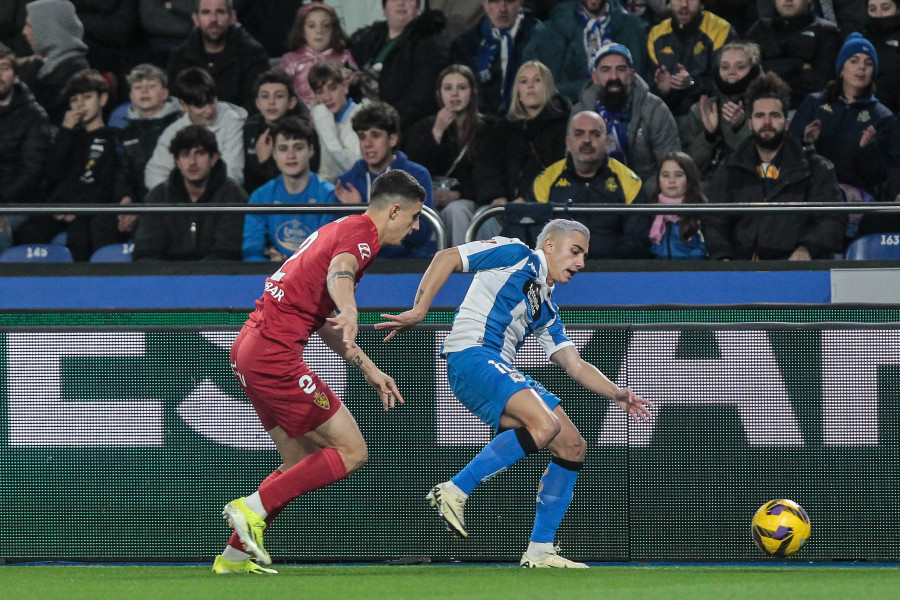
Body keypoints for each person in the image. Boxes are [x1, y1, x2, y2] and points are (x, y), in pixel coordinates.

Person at [374, 218, 652, 568]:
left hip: (496, 367)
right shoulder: (515, 253)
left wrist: (616, 394)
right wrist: (419, 310)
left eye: (585, 255)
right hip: (471, 355)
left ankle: (539, 551)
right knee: (546, 424)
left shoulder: (546, 306)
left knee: (572, 445)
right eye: (575, 251)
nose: (581, 262)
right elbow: (446, 256)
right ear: (549, 245)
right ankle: (453, 490)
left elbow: (575, 363)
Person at [215, 170, 425, 574]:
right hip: (274, 354)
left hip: (248, 349)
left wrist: (368, 368)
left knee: (298, 460)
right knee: (353, 451)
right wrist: (350, 307)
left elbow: (324, 321)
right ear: (394, 209)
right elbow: (340, 273)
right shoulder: (363, 236)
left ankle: (235, 558)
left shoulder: (341, 226)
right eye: (414, 216)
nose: (416, 226)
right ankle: (249, 508)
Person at [704, 72, 846, 260]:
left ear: (786, 123)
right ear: (749, 123)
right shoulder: (730, 168)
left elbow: (833, 220)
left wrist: (807, 248)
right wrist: (723, 256)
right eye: (760, 116)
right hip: (741, 272)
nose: (767, 123)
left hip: (796, 273)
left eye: (775, 115)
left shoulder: (816, 168)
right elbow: (714, 222)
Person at [17, 69, 125, 261]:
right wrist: (65, 131)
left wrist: (78, 208)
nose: (80, 104)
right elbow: (53, 174)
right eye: (74, 99)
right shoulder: (67, 137)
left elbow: (106, 182)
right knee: (27, 232)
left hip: (91, 209)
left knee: (81, 236)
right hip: (60, 208)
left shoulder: (113, 137)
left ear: (103, 100)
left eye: (87, 97)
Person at [788, 33, 895, 216]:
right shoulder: (814, 103)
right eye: (854, 60)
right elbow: (789, 154)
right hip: (809, 188)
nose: (861, 67)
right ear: (841, 68)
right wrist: (806, 143)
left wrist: (867, 149)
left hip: (854, 196)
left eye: (868, 63)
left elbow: (880, 175)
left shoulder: (882, 117)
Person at [529, 110, 651, 258]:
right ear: (568, 143)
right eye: (579, 133)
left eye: (594, 134)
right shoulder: (545, 181)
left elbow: (637, 240)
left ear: (606, 142)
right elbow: (535, 235)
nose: (587, 140)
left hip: (613, 271)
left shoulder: (629, 182)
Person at [406, 64, 498, 246]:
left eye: (462, 88)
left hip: (467, 199)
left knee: (456, 210)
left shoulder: (488, 128)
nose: (454, 94)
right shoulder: (423, 127)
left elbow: (487, 174)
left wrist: (459, 194)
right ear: (439, 94)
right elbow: (417, 168)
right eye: (448, 88)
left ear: (472, 92)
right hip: (432, 199)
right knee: (426, 214)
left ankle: (461, 271)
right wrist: (437, 133)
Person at [572, 43, 679, 196]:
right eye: (606, 70)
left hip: (645, 198)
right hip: (592, 197)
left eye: (621, 69)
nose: (614, 77)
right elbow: (571, 162)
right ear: (594, 77)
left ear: (632, 75)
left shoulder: (655, 109)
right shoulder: (580, 112)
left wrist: (637, 196)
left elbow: (671, 165)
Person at [335, 101, 436, 259]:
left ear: (392, 139)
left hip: (409, 265)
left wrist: (360, 210)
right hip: (361, 267)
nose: (368, 144)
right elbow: (339, 240)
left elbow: (421, 233)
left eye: (375, 135)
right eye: (362, 137)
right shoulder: (347, 181)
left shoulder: (418, 176)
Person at [133, 125, 247, 261]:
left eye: (200, 153)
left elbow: (227, 253)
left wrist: (194, 279)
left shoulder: (234, 196)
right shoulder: (158, 197)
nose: (192, 162)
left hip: (214, 279)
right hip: (167, 278)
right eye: (185, 154)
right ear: (177, 161)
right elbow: (146, 252)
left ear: (214, 158)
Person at [478, 61, 570, 223]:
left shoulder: (564, 125)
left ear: (547, 87)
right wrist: (496, 196)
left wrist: (527, 198)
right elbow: (489, 167)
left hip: (543, 205)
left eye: (537, 80)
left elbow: (558, 171)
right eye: (524, 81)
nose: (530, 86)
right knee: (483, 217)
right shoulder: (502, 128)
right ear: (518, 91)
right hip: (504, 204)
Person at [242, 117, 338, 262]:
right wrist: (268, 266)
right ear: (274, 153)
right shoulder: (260, 196)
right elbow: (251, 253)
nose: (291, 155)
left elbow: (328, 254)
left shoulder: (329, 195)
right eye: (283, 148)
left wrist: (290, 266)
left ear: (311, 150)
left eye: (298, 147)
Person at [350, 0, 452, 132]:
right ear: (384, 8)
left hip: (403, 130)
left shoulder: (431, 42)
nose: (401, 3)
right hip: (363, 123)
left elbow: (422, 98)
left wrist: (384, 123)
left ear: (418, 6)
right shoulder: (368, 39)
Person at [522, 0, 648, 102]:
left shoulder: (633, 29)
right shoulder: (550, 31)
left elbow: (639, 85)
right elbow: (539, 85)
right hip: (569, 113)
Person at [145, 66, 247, 190]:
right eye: (200, 105)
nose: (209, 110)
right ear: (184, 105)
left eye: (211, 101)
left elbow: (233, 173)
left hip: (220, 200)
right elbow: (155, 174)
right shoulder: (174, 131)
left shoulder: (232, 120)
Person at [114, 64, 184, 237]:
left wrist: (143, 210)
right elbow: (123, 174)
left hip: (172, 203)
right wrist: (126, 200)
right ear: (131, 95)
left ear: (165, 94)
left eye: (151, 86)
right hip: (138, 204)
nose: (144, 91)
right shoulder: (125, 134)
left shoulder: (181, 126)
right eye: (138, 87)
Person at [166, 0, 270, 111]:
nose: (213, 19)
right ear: (196, 19)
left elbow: (256, 106)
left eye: (220, 12)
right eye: (206, 12)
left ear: (232, 17)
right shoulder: (180, 56)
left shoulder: (253, 54)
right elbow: (175, 104)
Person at [681, 42, 762, 183]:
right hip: (710, 190)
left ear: (753, 70)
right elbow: (688, 169)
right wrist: (708, 136)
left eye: (740, 67)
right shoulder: (701, 110)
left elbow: (765, 162)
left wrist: (740, 127)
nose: (731, 72)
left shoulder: (765, 108)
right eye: (725, 67)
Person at [450, 0, 545, 116]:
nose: (502, 9)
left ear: (520, 3)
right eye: (494, 1)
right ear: (484, 4)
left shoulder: (540, 38)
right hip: (481, 124)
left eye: (509, 1)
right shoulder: (465, 45)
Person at [0, 42, 52, 251]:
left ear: (16, 76)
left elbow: (31, 174)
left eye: (4, 68)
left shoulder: (33, 117)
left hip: (18, 203)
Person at [646, 0, 737, 118]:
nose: (684, 4)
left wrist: (692, 83)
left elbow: (730, 82)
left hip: (710, 116)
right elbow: (649, 87)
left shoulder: (721, 30)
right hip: (666, 117)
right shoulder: (656, 34)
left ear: (702, 3)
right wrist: (663, 91)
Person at [745, 0, 841, 110]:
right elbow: (751, 77)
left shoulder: (827, 32)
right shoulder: (759, 29)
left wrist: (772, 68)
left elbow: (821, 84)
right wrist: (797, 65)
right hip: (764, 112)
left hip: (811, 111)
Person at [18, 0, 90, 126]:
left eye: (29, 25)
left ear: (48, 28)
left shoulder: (72, 70)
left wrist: (29, 74)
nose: (24, 31)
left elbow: (37, 115)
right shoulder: (48, 63)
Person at [278, 2, 359, 113]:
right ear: (302, 31)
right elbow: (280, 90)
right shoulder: (291, 60)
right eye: (311, 26)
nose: (319, 31)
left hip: (340, 119)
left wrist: (354, 79)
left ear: (333, 30)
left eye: (325, 25)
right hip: (302, 121)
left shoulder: (344, 58)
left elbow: (358, 78)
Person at [242, 69, 309, 196]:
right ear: (257, 103)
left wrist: (265, 163)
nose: (271, 102)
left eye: (279, 96)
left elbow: (299, 179)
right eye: (265, 96)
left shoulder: (303, 132)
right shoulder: (248, 129)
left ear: (292, 103)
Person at [308, 61, 364, 183]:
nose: (327, 97)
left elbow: (354, 167)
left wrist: (324, 126)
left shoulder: (362, 117)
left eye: (332, 88)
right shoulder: (321, 119)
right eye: (320, 92)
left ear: (345, 87)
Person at [649, 151, 709, 259]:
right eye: (665, 175)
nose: (671, 181)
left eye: (678, 175)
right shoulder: (650, 211)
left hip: (693, 272)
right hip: (659, 272)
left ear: (689, 179)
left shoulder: (703, 212)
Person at [864, 0, 900, 113]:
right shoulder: (861, 38)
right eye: (872, 9)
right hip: (863, 111)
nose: (879, 14)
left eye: (885, 8)